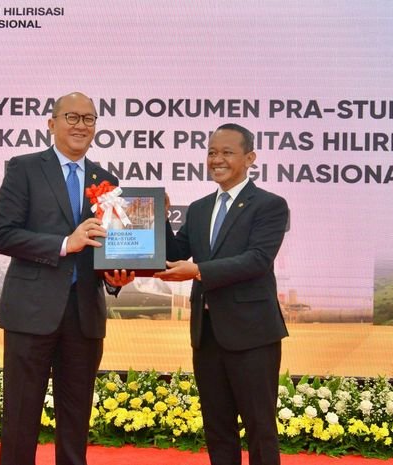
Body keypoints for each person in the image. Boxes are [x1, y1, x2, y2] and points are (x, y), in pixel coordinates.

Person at [0, 91, 135, 465]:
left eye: (88, 119)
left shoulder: (106, 180)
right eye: (71, 117)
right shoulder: (24, 168)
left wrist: (115, 278)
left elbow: (108, 246)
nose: (80, 125)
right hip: (31, 312)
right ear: (51, 123)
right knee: (20, 417)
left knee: (76, 420)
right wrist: (64, 243)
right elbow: (3, 235)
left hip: (83, 315)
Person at [155, 123, 289, 465]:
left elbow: (257, 260)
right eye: (212, 152)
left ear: (250, 158)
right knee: (217, 427)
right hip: (207, 334)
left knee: (260, 427)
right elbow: (175, 253)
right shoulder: (199, 208)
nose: (217, 159)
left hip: (253, 334)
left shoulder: (270, 205)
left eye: (227, 152)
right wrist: (159, 218)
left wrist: (199, 271)